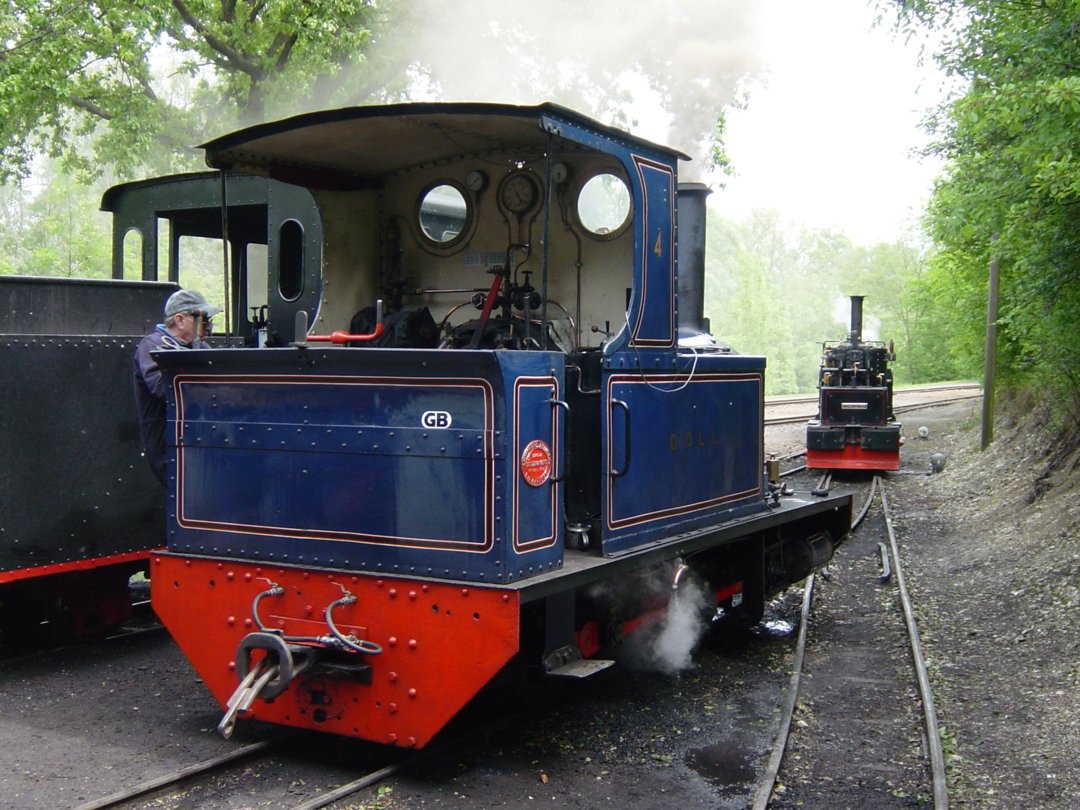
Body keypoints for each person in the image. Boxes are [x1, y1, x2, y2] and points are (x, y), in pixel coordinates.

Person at [133, 289, 222, 483]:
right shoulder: (153, 345)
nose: (207, 326)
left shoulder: (201, 347)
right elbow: (162, 387)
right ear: (180, 320)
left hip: (202, 439)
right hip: (169, 444)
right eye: (202, 319)